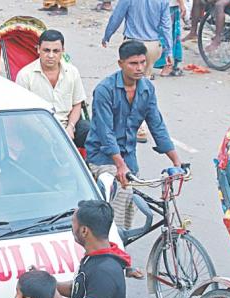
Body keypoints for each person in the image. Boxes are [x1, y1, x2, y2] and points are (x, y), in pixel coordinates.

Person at [85, 41, 181, 237]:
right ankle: (113, 247)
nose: (139, 68)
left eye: (142, 62)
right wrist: (119, 165)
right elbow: (105, 133)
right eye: (133, 63)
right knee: (123, 192)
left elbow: (157, 124)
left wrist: (176, 161)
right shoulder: (105, 90)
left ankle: (120, 245)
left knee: (130, 204)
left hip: (128, 156)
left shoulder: (147, 89)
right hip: (102, 157)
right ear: (121, 64)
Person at [15, 30, 89, 148]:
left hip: (67, 127)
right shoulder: (25, 75)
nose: (50, 55)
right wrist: (46, 133)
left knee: (92, 131)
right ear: (38, 49)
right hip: (38, 129)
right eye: (46, 50)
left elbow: (77, 104)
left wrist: (71, 127)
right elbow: (23, 115)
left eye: (55, 51)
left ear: (62, 51)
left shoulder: (72, 72)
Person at [102, 0, 173, 81]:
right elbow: (166, 27)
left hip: (132, 44)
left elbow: (116, 18)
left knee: (129, 79)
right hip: (152, 46)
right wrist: (169, 52)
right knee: (145, 78)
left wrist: (107, 37)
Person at [153, 0, 186, 77]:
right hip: (169, 6)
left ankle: (149, 64)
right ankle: (167, 65)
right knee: (169, 34)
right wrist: (182, 4)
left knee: (155, 32)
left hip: (154, 5)